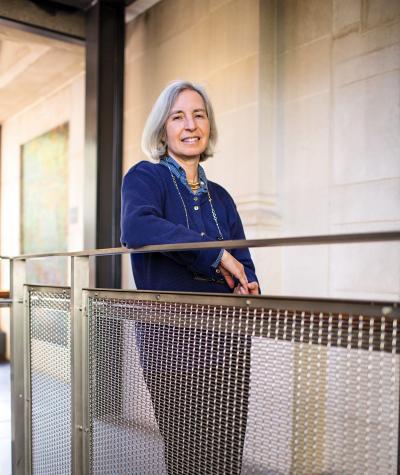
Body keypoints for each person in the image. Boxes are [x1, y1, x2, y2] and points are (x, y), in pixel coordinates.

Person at [121, 80, 258, 474]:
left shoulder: (222, 197)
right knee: (189, 458)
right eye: (178, 116)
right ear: (162, 129)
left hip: (229, 345)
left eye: (199, 115)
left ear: (209, 126)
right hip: (173, 346)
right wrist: (215, 256)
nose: (191, 124)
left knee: (227, 457)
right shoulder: (146, 178)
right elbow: (138, 228)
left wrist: (249, 284)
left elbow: (245, 264)